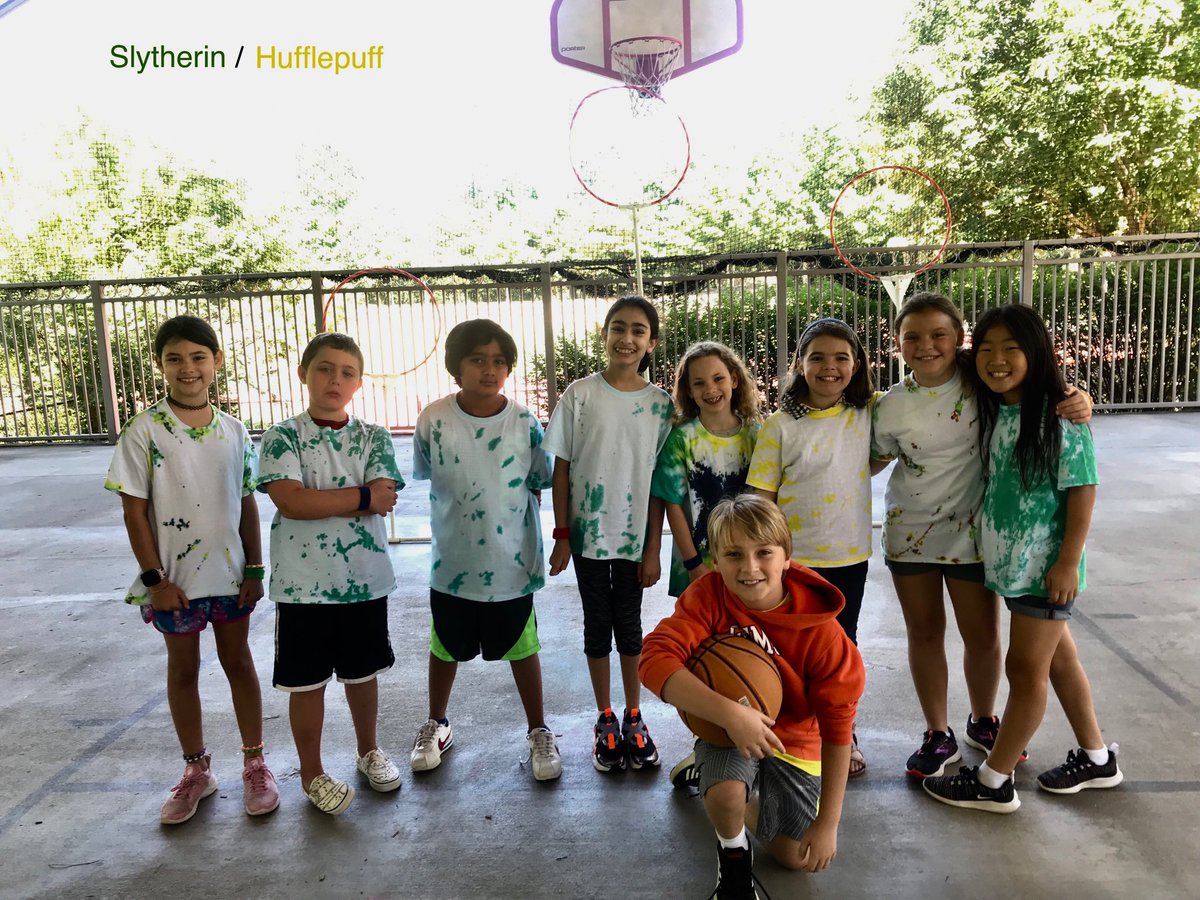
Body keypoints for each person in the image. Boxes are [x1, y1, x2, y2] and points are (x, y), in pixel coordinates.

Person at [871, 293, 1094, 780]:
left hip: (975, 537)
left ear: (959, 338)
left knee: (983, 636)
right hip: (909, 535)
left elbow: (1030, 382)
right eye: (912, 337)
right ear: (897, 343)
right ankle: (937, 732)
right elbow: (869, 459)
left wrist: (1077, 398)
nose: (926, 346)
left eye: (939, 335)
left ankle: (984, 718)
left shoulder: (982, 382)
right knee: (924, 633)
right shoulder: (888, 406)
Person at [923, 303, 1121, 813]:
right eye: (986, 348)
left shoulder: (1059, 414)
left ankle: (993, 780)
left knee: (1025, 670)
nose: (997, 359)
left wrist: (1067, 562)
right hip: (1016, 568)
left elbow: (1083, 489)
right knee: (1059, 660)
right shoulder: (999, 407)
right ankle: (1098, 758)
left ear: (1036, 352)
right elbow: (941, 359)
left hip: (1044, 569)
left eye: (1011, 348)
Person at [640, 493, 865, 897]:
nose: (749, 568)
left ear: (786, 557)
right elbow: (654, 658)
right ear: (715, 560)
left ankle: (721, 786)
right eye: (733, 554)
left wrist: (828, 822)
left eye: (764, 552)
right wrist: (728, 715)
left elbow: (838, 728)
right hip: (728, 729)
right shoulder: (709, 596)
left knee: (797, 856)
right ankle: (733, 859)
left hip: (795, 738)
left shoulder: (822, 631)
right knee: (727, 793)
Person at [105, 314, 279, 825]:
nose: (188, 368)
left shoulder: (234, 430)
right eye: (175, 358)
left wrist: (254, 568)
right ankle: (196, 769)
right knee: (183, 670)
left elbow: (246, 501)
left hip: (229, 577)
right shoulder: (143, 431)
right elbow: (134, 511)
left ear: (216, 361)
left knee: (238, 662)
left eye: (198, 357)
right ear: (160, 365)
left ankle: (255, 764)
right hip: (174, 583)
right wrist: (155, 581)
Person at [408, 318, 561, 782]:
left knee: (523, 646)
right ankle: (436, 723)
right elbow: (428, 474)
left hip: (511, 564)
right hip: (452, 564)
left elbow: (539, 480)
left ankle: (538, 729)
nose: (489, 370)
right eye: (477, 360)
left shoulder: (525, 423)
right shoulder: (433, 420)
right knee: (444, 646)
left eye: (499, 361)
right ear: (456, 366)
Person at [258, 331, 404, 815]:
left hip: (365, 579)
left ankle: (369, 751)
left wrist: (329, 499)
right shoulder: (282, 436)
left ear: (359, 382)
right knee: (307, 684)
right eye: (324, 368)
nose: (334, 380)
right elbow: (292, 502)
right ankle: (311, 772)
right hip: (303, 586)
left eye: (347, 372)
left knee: (363, 674)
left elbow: (386, 496)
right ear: (304, 373)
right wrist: (362, 497)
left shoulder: (373, 436)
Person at [544, 295, 674, 773]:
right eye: (618, 328)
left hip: (634, 540)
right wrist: (562, 534)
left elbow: (660, 484)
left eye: (639, 330)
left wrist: (653, 548)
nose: (627, 338)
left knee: (631, 626)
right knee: (597, 626)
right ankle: (605, 717)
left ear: (651, 343)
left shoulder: (660, 406)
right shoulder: (580, 395)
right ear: (604, 335)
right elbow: (561, 469)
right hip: (588, 538)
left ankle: (634, 715)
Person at [745, 317, 877, 777]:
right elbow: (761, 498)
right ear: (800, 364)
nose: (829, 366)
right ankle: (788, 732)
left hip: (849, 557)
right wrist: (766, 559)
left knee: (841, 650)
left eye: (841, 357)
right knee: (788, 651)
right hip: (795, 563)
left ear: (856, 365)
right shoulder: (779, 426)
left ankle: (841, 732)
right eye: (817, 357)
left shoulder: (868, 413)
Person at [652, 340, 763, 598]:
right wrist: (693, 564)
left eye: (718, 378)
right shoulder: (681, 439)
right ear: (689, 391)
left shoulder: (756, 434)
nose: (710, 389)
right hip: (698, 564)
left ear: (734, 380)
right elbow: (672, 505)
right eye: (699, 383)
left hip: (750, 563)